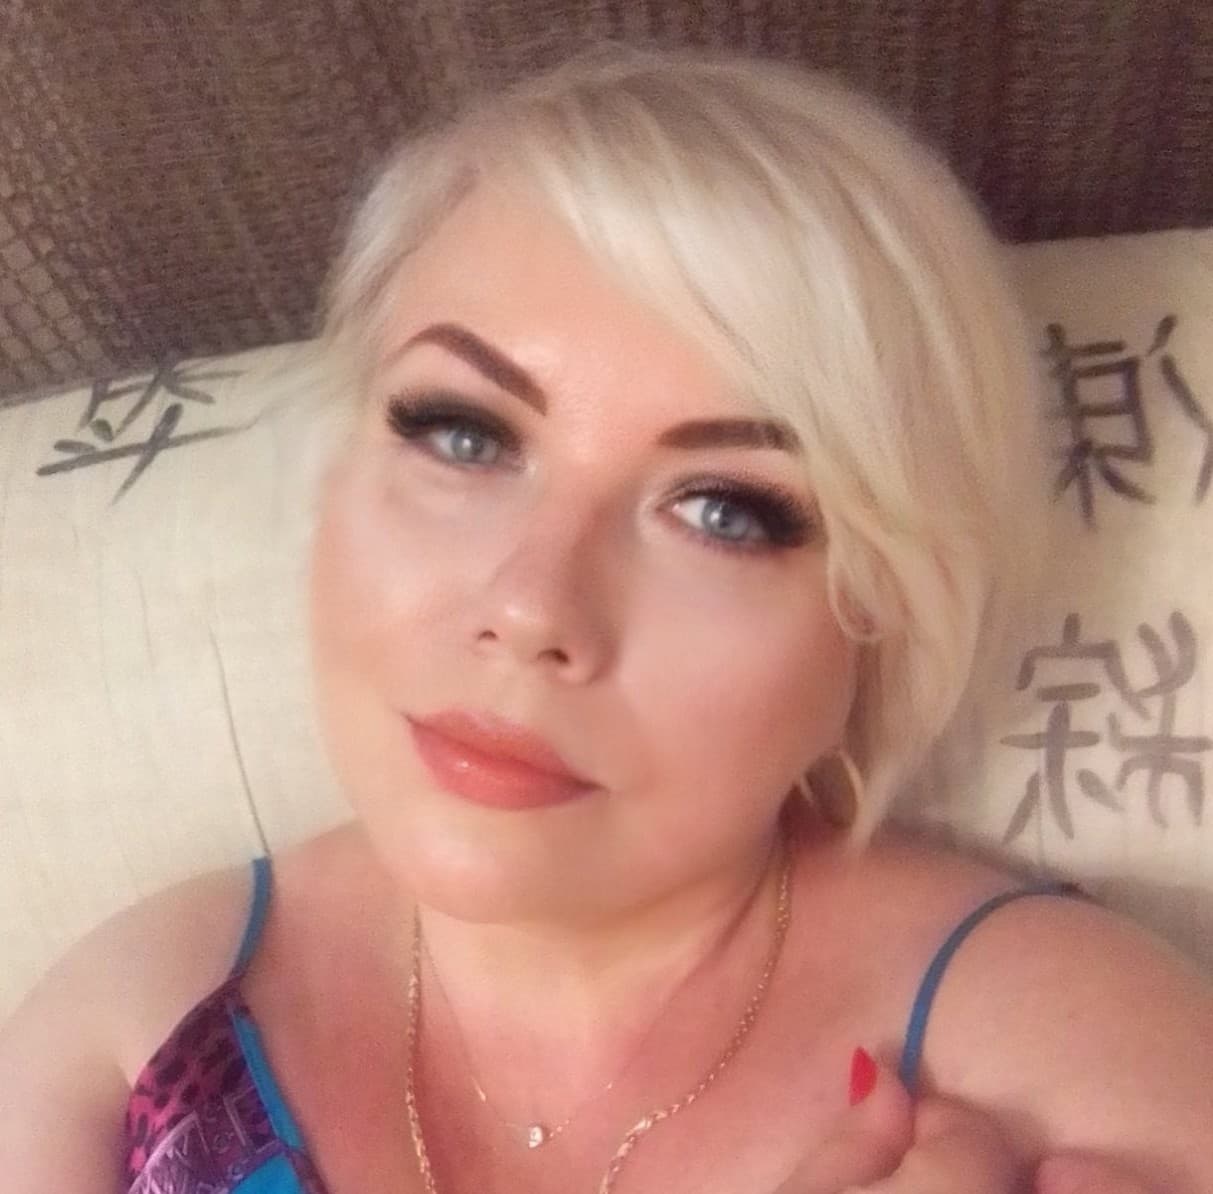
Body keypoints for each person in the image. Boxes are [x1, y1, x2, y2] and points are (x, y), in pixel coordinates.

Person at [3, 45, 1211, 1194]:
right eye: (462, 434)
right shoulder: (130, 1028)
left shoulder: (1069, 1070)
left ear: (881, 625)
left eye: (725, 511)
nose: (531, 607)